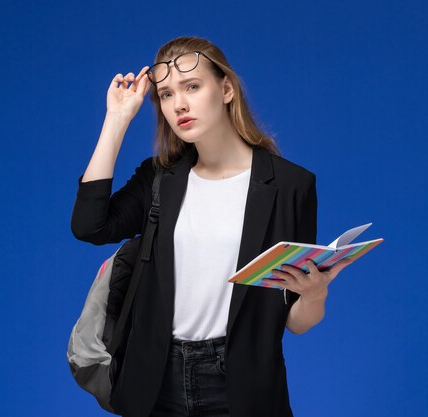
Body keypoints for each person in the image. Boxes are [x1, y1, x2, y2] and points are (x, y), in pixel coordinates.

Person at [70, 36, 353, 417]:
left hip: (242, 383)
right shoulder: (160, 178)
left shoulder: (290, 186)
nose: (179, 104)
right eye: (167, 95)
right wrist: (117, 120)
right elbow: (90, 226)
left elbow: (295, 322)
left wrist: (315, 294)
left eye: (191, 86)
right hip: (156, 378)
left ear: (226, 89)